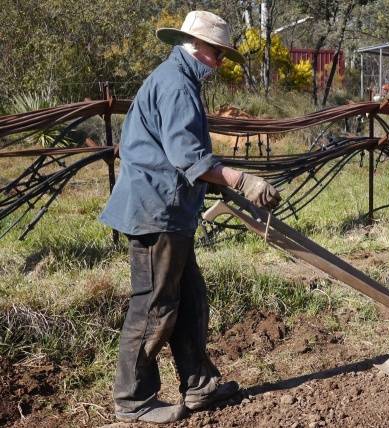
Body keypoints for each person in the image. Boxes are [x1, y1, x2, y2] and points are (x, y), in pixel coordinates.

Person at [99, 11, 281, 424]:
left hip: (170, 208)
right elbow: (188, 158)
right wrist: (241, 179)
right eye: (217, 53)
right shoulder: (176, 85)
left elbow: (183, 157)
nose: (219, 62)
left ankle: (199, 384)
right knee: (154, 307)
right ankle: (133, 399)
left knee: (190, 298)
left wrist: (223, 182)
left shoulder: (176, 80)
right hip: (156, 211)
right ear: (198, 46)